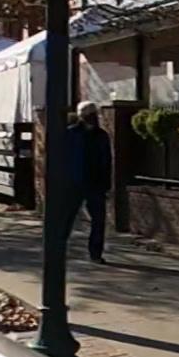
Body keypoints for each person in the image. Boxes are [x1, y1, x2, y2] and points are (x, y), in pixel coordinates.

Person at [66, 102, 112, 265]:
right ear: (82, 117)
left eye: (94, 114)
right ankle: (59, 248)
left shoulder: (101, 135)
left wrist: (106, 184)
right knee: (67, 218)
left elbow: (107, 161)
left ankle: (95, 253)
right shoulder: (71, 134)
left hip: (95, 184)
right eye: (89, 115)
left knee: (98, 220)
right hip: (75, 183)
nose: (93, 118)